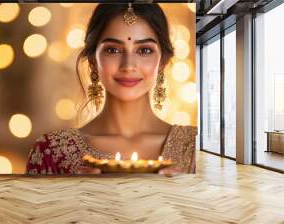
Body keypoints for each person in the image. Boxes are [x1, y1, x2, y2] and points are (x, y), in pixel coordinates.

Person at [26, 3, 197, 175]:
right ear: (93, 61)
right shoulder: (52, 150)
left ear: (163, 62)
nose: (128, 65)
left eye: (144, 50)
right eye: (113, 50)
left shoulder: (193, 145)